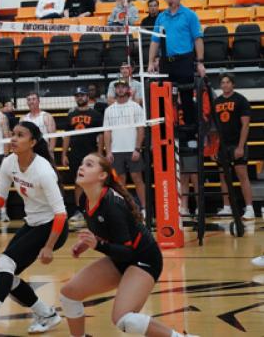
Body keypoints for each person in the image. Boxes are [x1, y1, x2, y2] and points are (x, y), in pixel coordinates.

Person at [59, 153, 198, 337]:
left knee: (125, 320)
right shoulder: (85, 199)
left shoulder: (112, 204)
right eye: (82, 163)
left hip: (143, 259)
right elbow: (106, 231)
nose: (81, 167)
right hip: (121, 257)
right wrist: (88, 242)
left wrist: (97, 246)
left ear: (103, 176)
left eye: (89, 164)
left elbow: (127, 251)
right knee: (69, 294)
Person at [0, 121, 68, 336]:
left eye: (20, 135)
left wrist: (48, 247)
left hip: (53, 227)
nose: (13, 139)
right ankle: (46, 315)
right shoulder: (9, 162)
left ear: (33, 142)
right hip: (33, 223)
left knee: (5, 262)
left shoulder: (43, 171)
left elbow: (61, 214)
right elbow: (1, 195)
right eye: (13, 134)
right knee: (8, 276)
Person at [148, 0, 205, 129]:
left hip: (184, 60)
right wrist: (150, 61)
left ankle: (191, 135)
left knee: (186, 98)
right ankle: (166, 134)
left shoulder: (189, 15)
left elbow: (198, 39)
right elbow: (155, 41)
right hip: (166, 62)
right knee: (164, 99)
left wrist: (200, 62)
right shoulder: (161, 17)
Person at [214, 74, 255, 221]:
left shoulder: (241, 100)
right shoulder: (216, 102)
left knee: (242, 175)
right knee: (223, 177)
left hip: (236, 144)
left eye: (227, 82)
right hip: (222, 145)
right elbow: (214, 128)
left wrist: (240, 147)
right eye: (222, 83)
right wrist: (214, 148)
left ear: (233, 84)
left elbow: (245, 125)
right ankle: (226, 208)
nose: (225, 85)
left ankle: (249, 208)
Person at [62, 87, 103, 224]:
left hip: (90, 153)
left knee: (93, 183)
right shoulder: (70, 115)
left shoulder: (96, 114)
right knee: (78, 182)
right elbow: (66, 136)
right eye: (77, 95)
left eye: (82, 95)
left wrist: (100, 153)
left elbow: (100, 135)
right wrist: (64, 154)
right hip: (74, 154)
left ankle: (95, 209)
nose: (80, 98)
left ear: (87, 96)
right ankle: (79, 210)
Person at [104, 80, 146, 211]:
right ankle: (124, 208)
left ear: (128, 89)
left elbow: (141, 130)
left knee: (137, 178)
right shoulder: (109, 110)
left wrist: (137, 149)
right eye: (118, 87)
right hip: (116, 151)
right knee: (119, 181)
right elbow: (107, 131)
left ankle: (144, 209)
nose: (120, 89)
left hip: (132, 149)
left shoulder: (135, 107)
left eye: (123, 87)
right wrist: (108, 151)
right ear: (115, 90)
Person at [20, 92, 57, 157]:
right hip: (28, 152)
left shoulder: (46, 116)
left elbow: (53, 137)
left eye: (34, 99)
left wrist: (51, 152)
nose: (31, 101)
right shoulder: (23, 118)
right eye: (29, 100)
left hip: (43, 151)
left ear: (39, 101)